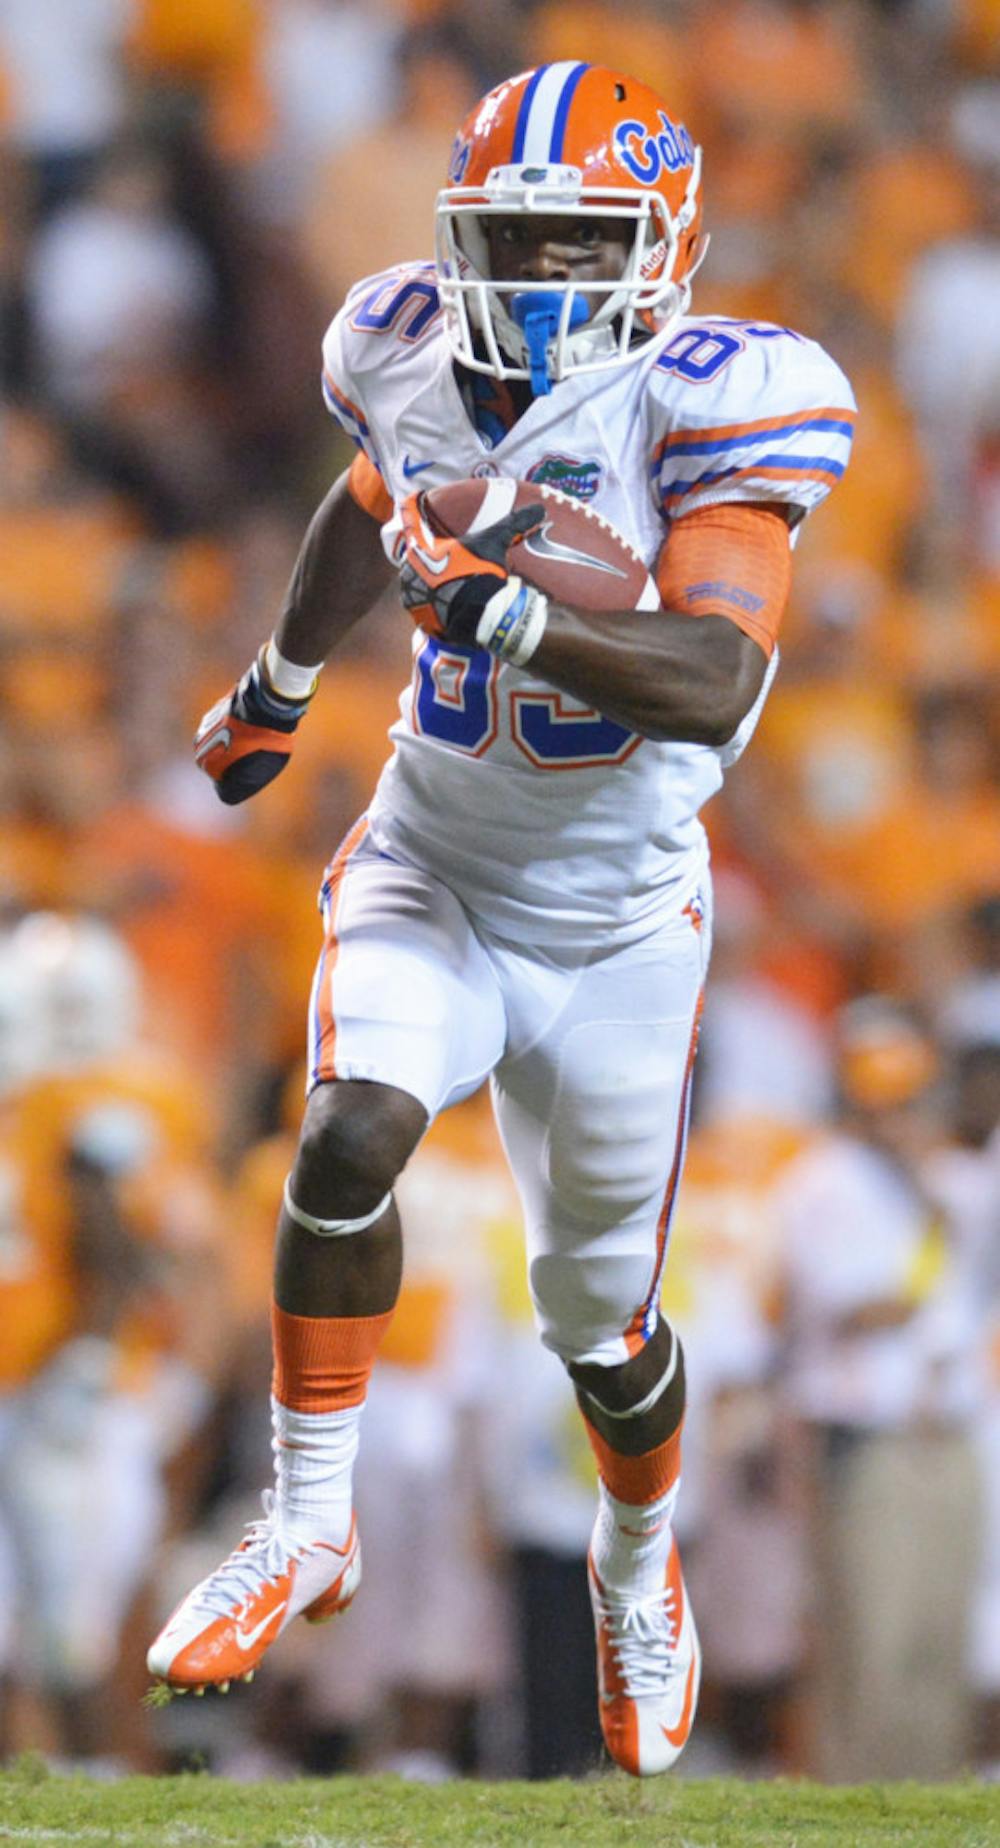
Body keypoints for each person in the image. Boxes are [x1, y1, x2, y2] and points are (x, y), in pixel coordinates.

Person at [147, 61, 855, 1777]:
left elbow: (715, 669)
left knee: (603, 1327)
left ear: (660, 247)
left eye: (568, 240)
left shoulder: (720, 400)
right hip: (435, 859)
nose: (529, 275)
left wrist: (510, 616)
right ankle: (308, 1520)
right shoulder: (398, 340)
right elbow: (371, 493)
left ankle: (633, 1563)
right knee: (350, 1133)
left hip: (619, 923)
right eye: (504, 235)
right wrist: (281, 676)